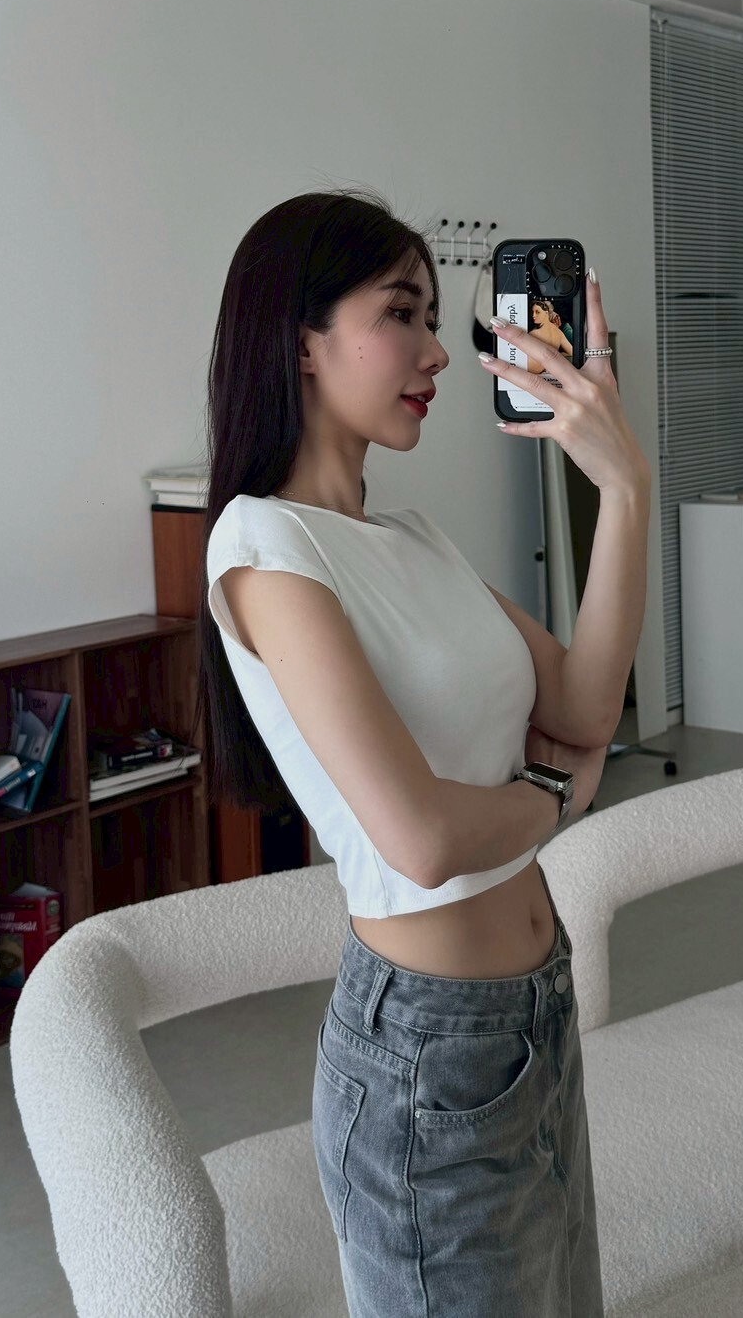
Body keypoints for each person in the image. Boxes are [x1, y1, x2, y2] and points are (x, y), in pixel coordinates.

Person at [194, 187, 651, 1317]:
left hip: (537, 1014)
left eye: (435, 317)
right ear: (302, 339)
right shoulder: (262, 546)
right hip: (428, 1058)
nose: (440, 351)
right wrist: (556, 795)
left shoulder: (414, 538)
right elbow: (425, 837)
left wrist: (624, 488)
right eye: (402, 312)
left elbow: (587, 706)